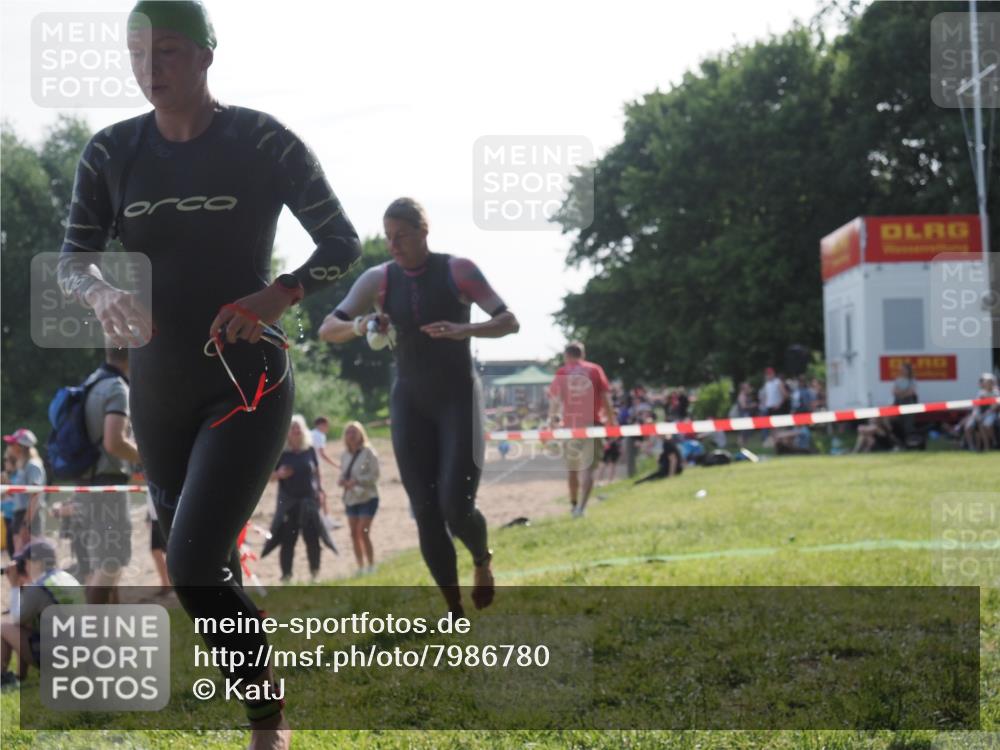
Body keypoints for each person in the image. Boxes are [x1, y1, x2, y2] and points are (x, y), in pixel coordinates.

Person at [55, 2, 361, 745]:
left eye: (166, 50)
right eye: (137, 53)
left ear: (204, 55)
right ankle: (258, 671)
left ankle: (267, 720)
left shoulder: (260, 139)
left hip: (248, 380)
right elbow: (71, 261)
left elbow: (341, 241)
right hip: (158, 391)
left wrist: (279, 293)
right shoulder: (111, 151)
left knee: (191, 566)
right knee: (208, 561)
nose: (149, 68)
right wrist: (99, 293)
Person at [319, 197, 519, 616]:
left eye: (401, 236)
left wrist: (464, 328)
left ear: (423, 232)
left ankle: (482, 559)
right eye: (388, 237)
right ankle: (454, 610)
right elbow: (327, 328)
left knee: (456, 507)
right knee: (426, 513)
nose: (392, 245)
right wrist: (361, 324)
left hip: (458, 400)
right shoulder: (379, 279)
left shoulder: (458, 270)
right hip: (410, 402)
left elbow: (508, 321)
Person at [71, 346, 140, 605]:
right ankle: (92, 625)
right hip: (107, 483)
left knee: (101, 562)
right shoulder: (117, 388)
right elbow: (114, 443)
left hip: (85, 481)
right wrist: (147, 457)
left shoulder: (91, 381)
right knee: (112, 562)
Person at [547, 342, 618, 518]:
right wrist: (612, 423)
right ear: (582, 354)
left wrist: (552, 422)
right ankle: (581, 508)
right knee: (588, 469)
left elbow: (556, 400)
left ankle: (573, 505)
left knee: (572, 469)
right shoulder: (595, 370)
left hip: (570, 426)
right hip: (592, 424)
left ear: (566, 355)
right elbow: (606, 399)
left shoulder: (562, 372)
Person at [0, 539, 82, 688]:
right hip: (80, 655)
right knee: (27, 624)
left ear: (37, 563)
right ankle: (20, 676)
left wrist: (14, 586)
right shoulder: (65, 578)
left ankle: (2, 678)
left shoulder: (39, 587)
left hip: (60, 659)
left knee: (4, 628)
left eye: (25, 562)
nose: (24, 567)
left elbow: (16, 619)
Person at [263, 415, 334, 582]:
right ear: (287, 432)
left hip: (309, 501)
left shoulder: (309, 450)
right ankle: (286, 575)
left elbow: (317, 472)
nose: (296, 430)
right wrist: (279, 474)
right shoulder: (281, 453)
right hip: (289, 503)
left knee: (313, 539)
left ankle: (314, 573)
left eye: (298, 427)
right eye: (293, 427)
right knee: (287, 540)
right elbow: (268, 476)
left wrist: (320, 490)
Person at [338, 421, 380, 574]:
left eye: (354, 432)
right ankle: (360, 567)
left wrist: (357, 481)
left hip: (368, 497)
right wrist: (342, 481)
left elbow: (375, 475)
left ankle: (371, 565)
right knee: (353, 534)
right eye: (348, 432)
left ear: (361, 434)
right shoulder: (344, 455)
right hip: (351, 498)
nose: (351, 435)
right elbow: (343, 473)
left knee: (363, 531)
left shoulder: (369, 452)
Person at [964, 373, 1000, 451]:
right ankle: (972, 447)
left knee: (985, 425)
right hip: (979, 415)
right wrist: (975, 415)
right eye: (985, 382)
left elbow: (994, 408)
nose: (986, 384)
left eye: (989, 382)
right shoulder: (980, 393)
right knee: (968, 427)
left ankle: (991, 444)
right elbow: (976, 406)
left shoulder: (996, 393)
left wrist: (983, 415)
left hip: (990, 414)